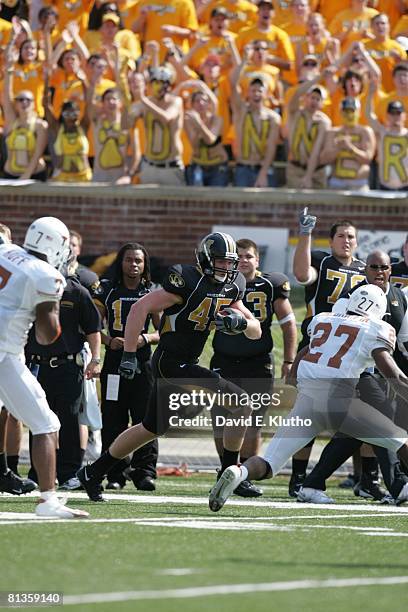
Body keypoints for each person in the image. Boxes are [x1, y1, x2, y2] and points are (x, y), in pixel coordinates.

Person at [78, 232, 261, 501]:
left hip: (186, 362)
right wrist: (129, 352)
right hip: (170, 361)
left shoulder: (232, 286)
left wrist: (242, 323)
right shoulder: (185, 280)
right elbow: (140, 308)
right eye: (221, 261)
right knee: (240, 402)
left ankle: (93, 472)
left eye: (229, 262)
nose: (227, 267)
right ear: (207, 258)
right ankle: (229, 474)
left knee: (150, 429)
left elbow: (256, 330)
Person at [209, 283, 408, 512]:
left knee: (269, 464)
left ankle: (238, 471)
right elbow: (394, 375)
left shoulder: (323, 318)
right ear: (379, 309)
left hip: (307, 401)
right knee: (400, 439)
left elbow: (307, 350)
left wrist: (293, 375)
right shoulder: (376, 328)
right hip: (338, 401)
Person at [297, 250, 408, 503]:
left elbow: (403, 341)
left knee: (356, 431)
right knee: (382, 423)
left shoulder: (398, 296)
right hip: (354, 373)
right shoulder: (352, 296)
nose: (379, 272)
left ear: (391, 269)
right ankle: (397, 484)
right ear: (365, 269)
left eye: (384, 267)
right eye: (374, 267)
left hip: (380, 371)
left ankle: (315, 483)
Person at [0, 216, 88, 518]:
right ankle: (48, 500)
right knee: (46, 424)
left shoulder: (5, 251)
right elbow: (46, 334)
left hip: (7, 354)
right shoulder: (46, 275)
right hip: (4, 353)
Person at [210, 238, 297, 497]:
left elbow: (289, 323)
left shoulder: (271, 284)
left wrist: (289, 360)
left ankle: (243, 474)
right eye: (240, 256)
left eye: (249, 256)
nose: (244, 260)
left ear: (257, 260)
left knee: (253, 422)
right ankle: (226, 469)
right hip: (224, 359)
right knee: (220, 420)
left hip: (257, 362)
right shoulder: (220, 284)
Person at [290, 209, 366, 495]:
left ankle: (364, 477)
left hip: (350, 351)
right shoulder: (322, 261)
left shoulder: (363, 268)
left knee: (359, 411)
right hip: (317, 348)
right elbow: (300, 274)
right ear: (331, 241)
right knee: (307, 412)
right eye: (341, 236)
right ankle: (298, 476)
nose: (346, 241)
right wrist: (305, 233)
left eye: (351, 237)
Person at [25, 249, 102, 490]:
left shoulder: (76, 291)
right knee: (38, 419)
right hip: (37, 365)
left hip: (68, 365)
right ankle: (37, 473)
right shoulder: (30, 288)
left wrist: (95, 359)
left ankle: (69, 472)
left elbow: (92, 328)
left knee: (69, 420)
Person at [92, 243, 160, 491]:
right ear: (120, 263)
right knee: (113, 417)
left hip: (143, 361)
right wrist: (110, 341)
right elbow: (91, 326)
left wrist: (144, 338)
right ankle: (115, 473)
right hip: (115, 361)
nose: (133, 265)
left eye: (138, 261)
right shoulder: (107, 290)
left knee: (145, 418)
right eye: (129, 260)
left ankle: (144, 472)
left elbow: (164, 331)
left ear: (145, 265)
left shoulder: (152, 292)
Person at [129, 66, 185, 185]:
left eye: (162, 83)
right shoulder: (145, 103)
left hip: (171, 167)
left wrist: (143, 99)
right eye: (156, 83)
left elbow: (166, 118)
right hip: (149, 166)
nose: (159, 87)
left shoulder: (176, 101)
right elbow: (126, 124)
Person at [230, 57, 281, 187]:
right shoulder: (241, 111)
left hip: (262, 168)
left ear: (266, 94)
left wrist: (263, 173)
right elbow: (233, 83)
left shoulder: (273, 118)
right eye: (253, 90)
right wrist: (244, 59)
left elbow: (271, 147)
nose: (256, 94)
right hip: (243, 167)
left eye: (260, 91)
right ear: (248, 93)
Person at [320, 97, 376, 191]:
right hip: (336, 183)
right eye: (346, 111)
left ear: (358, 112)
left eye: (352, 111)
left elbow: (367, 159)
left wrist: (350, 147)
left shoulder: (365, 132)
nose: (349, 115)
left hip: (359, 184)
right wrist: (338, 148)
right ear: (341, 113)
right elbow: (324, 159)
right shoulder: (333, 132)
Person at [285, 76, 331, 189]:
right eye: (312, 97)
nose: (314, 101)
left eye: (318, 99)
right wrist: (318, 78)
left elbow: (316, 149)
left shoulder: (323, 122)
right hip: (295, 169)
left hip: (316, 171)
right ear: (305, 98)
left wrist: (308, 176)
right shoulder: (295, 113)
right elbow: (296, 94)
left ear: (322, 103)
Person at [365, 81, 408, 191]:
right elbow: (368, 114)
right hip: (385, 185)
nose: (395, 117)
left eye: (398, 113)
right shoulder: (382, 132)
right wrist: (370, 95)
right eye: (392, 113)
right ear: (387, 115)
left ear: (404, 116)